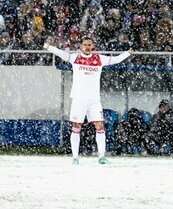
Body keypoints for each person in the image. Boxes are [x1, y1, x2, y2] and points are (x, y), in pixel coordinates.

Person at [44, 36, 131, 164]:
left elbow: (116, 60)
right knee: (76, 126)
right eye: (85, 44)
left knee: (100, 126)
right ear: (81, 46)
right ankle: (75, 158)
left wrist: (128, 53)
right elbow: (61, 53)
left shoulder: (99, 59)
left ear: (92, 46)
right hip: (79, 98)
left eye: (90, 45)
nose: (87, 47)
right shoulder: (75, 58)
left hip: (94, 99)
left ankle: (101, 156)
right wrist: (48, 47)